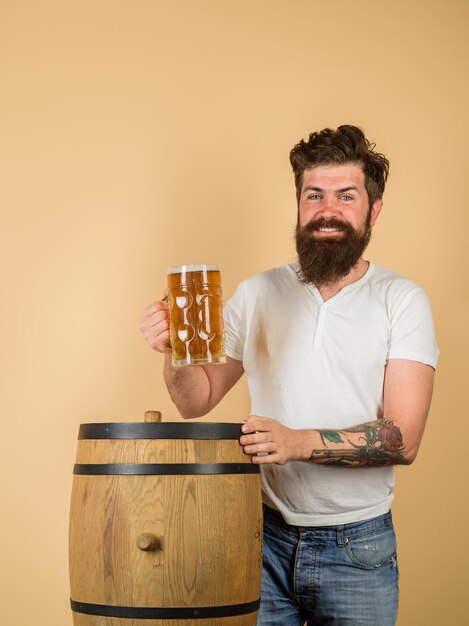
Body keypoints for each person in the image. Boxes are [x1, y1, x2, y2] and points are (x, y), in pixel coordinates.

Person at [140, 125, 438, 626]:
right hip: (262, 539)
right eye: (314, 195)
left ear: (374, 210)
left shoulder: (401, 299)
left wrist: (297, 442)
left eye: (346, 196)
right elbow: (197, 400)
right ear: (299, 204)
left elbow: (402, 439)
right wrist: (174, 352)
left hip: (357, 548)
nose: (328, 210)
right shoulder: (258, 293)